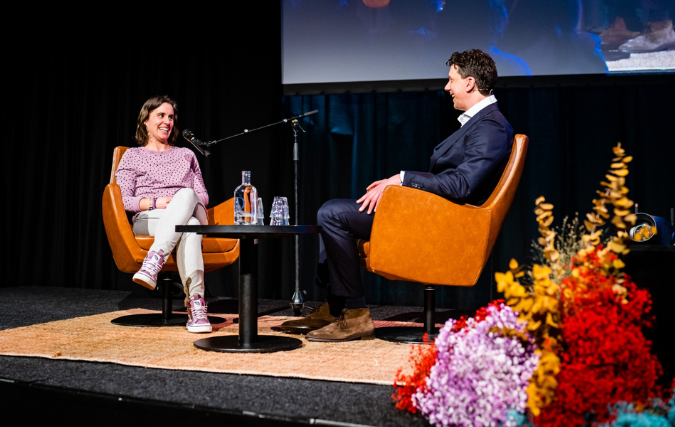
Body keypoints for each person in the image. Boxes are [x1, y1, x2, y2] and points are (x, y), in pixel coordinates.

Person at [281, 49, 514, 342]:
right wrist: (400, 187)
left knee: (333, 214)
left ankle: (354, 315)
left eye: (451, 80)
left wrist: (402, 180)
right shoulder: (482, 122)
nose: (447, 87)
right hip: (431, 213)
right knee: (337, 212)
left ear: (469, 83)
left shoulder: (491, 126)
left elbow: (462, 185)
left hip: (447, 225)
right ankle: (336, 308)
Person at [115, 95, 213, 333]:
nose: (167, 121)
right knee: (188, 226)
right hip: (152, 217)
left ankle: (154, 261)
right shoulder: (133, 156)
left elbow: (204, 196)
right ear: (145, 121)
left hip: (191, 208)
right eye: (161, 115)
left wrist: (181, 200)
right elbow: (123, 200)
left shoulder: (186, 155)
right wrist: (156, 202)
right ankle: (197, 305)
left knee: (188, 195)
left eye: (171, 116)